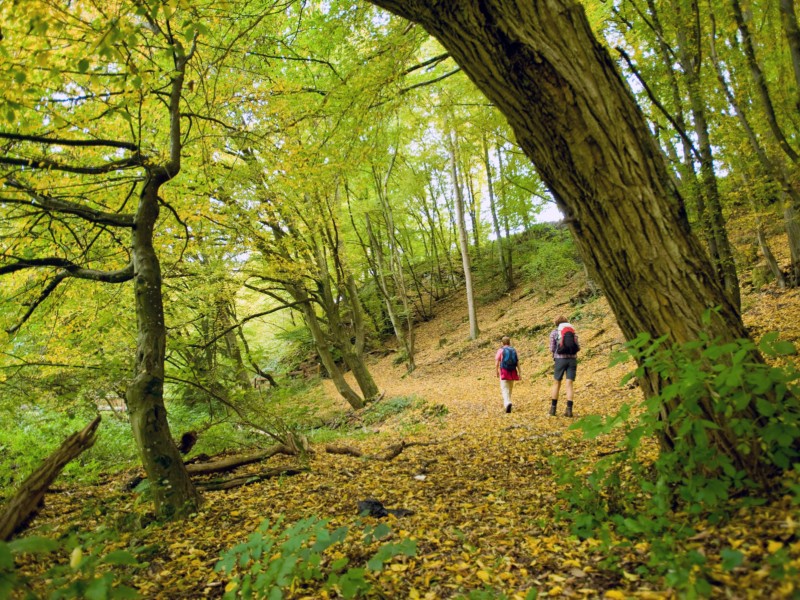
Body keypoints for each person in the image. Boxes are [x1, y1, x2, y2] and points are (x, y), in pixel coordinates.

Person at [548, 316, 579, 417]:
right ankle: (569, 410)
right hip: (572, 360)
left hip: (560, 359)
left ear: (556, 323)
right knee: (569, 384)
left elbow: (552, 348)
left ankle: (553, 409)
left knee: (557, 383)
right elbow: (577, 346)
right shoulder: (573, 332)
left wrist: (555, 355)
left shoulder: (554, 332)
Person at [495, 336, 521, 413]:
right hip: (513, 371)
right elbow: (517, 362)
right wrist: (520, 372)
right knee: (509, 388)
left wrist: (496, 371)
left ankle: (507, 403)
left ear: (502, 343)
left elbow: (497, 362)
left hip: (504, 371)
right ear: (509, 342)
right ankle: (508, 402)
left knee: (504, 388)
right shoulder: (513, 350)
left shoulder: (500, 350)